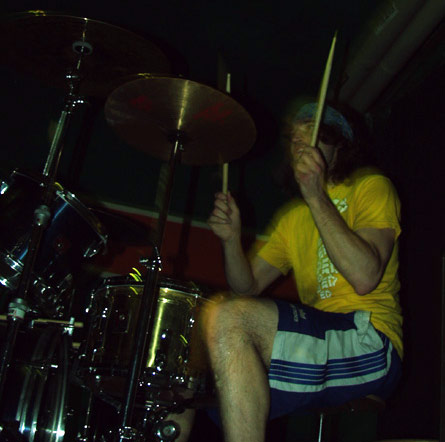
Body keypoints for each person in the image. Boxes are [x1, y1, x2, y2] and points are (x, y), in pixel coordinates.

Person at [201, 101, 403, 442]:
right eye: (295, 139)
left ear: (338, 147)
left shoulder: (372, 187)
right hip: (321, 340)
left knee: (230, 317)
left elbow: (365, 277)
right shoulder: (292, 219)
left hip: (371, 340)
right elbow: (246, 288)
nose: (300, 144)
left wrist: (316, 196)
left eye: (312, 135)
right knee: (192, 371)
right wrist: (231, 240)